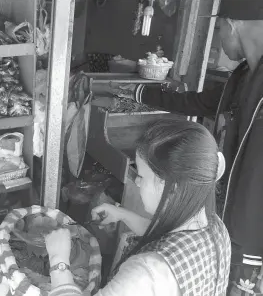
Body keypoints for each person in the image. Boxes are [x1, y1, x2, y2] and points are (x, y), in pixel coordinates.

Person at [117, 0, 263, 294]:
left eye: (220, 26)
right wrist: (138, 91)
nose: (220, 39)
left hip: (251, 239)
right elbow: (198, 102)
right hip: (222, 226)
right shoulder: (243, 76)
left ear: (233, 24)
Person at [45, 119, 231, 296]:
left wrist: (58, 260)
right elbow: (170, 240)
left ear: (172, 188)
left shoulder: (147, 273)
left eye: (141, 175)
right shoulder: (216, 228)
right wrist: (123, 215)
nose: (137, 181)